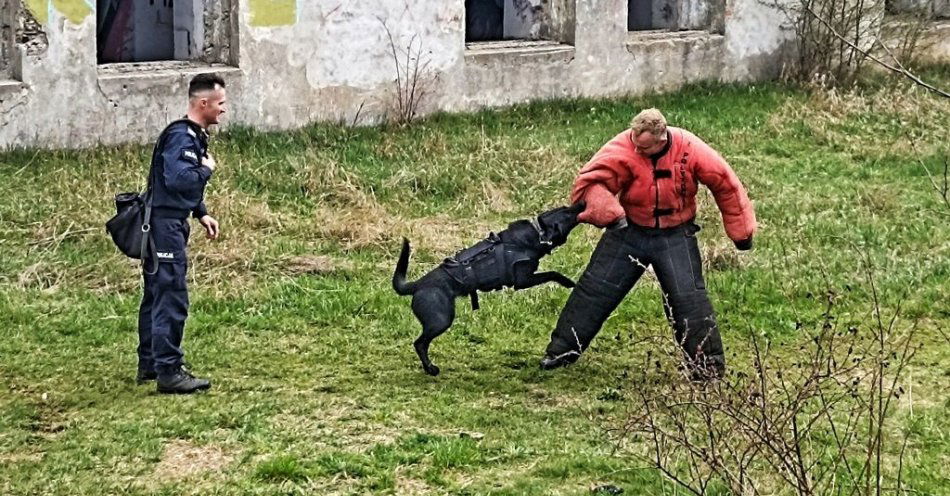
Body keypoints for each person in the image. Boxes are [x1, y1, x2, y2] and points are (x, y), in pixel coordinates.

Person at [539, 108, 756, 378]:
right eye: (635, 145)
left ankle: (707, 368)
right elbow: (591, 183)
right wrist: (610, 212)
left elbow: (726, 184)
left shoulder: (690, 148)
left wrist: (741, 232)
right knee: (594, 291)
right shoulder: (623, 146)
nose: (638, 152)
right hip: (629, 230)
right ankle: (561, 351)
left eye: (644, 149)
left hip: (676, 234)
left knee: (689, 300)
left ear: (662, 138)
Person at [136, 73, 226, 394]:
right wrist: (207, 169)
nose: (223, 110)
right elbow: (179, 180)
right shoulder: (182, 137)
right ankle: (169, 372)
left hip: (164, 222)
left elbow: (174, 184)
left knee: (157, 294)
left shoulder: (189, 135)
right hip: (165, 228)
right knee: (171, 296)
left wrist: (201, 212)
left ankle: (150, 362)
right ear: (203, 103)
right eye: (220, 103)